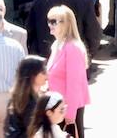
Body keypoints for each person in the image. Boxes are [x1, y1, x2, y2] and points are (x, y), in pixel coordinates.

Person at [43, 7, 89, 138]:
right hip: (57, 107)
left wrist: (70, 114)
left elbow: (75, 84)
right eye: (48, 21)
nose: (49, 25)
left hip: (67, 108)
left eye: (53, 21)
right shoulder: (58, 44)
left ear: (65, 24)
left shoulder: (72, 48)